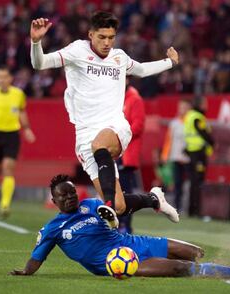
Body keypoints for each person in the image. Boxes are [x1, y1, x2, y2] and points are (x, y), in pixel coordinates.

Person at [30, 12, 179, 227]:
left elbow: (143, 70)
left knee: (101, 148)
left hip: (115, 127)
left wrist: (170, 63)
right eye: (102, 37)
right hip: (85, 136)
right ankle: (154, 199)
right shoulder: (76, 51)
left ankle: (106, 204)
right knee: (119, 206)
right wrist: (36, 42)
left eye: (111, 37)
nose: (107, 42)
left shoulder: (119, 58)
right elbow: (40, 64)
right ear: (91, 34)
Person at [10, 174, 230, 278]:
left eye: (71, 193)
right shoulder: (52, 229)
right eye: (62, 196)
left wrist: (113, 218)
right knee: (180, 267)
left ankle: (228, 266)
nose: (69, 198)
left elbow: (115, 216)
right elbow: (36, 259)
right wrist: (26, 271)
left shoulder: (91, 204)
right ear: (53, 201)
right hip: (120, 261)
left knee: (196, 252)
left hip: (132, 243)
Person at [0, 66, 36, 217]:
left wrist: (27, 128)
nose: (2, 80)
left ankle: (5, 204)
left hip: (12, 135)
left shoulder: (18, 94)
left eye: (5, 77)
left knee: (8, 168)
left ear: (10, 79)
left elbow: (22, 111)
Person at [116, 79, 146, 234]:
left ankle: (125, 226)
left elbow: (138, 125)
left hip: (126, 154)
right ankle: (119, 224)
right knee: (117, 189)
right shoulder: (118, 97)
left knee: (124, 191)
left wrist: (119, 137)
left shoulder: (135, 99)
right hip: (117, 151)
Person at [183, 98, 214, 217]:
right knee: (198, 182)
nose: (206, 106)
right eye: (205, 103)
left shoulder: (190, 116)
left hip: (191, 152)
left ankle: (192, 210)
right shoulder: (197, 117)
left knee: (194, 182)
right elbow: (203, 132)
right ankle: (196, 210)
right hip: (198, 153)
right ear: (200, 104)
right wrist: (212, 143)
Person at [161, 99, 191, 213]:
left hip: (188, 159)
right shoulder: (174, 123)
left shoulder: (191, 123)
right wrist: (165, 155)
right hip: (176, 157)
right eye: (181, 107)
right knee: (177, 184)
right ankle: (177, 207)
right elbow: (169, 140)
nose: (182, 110)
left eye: (184, 108)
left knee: (188, 185)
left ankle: (189, 207)